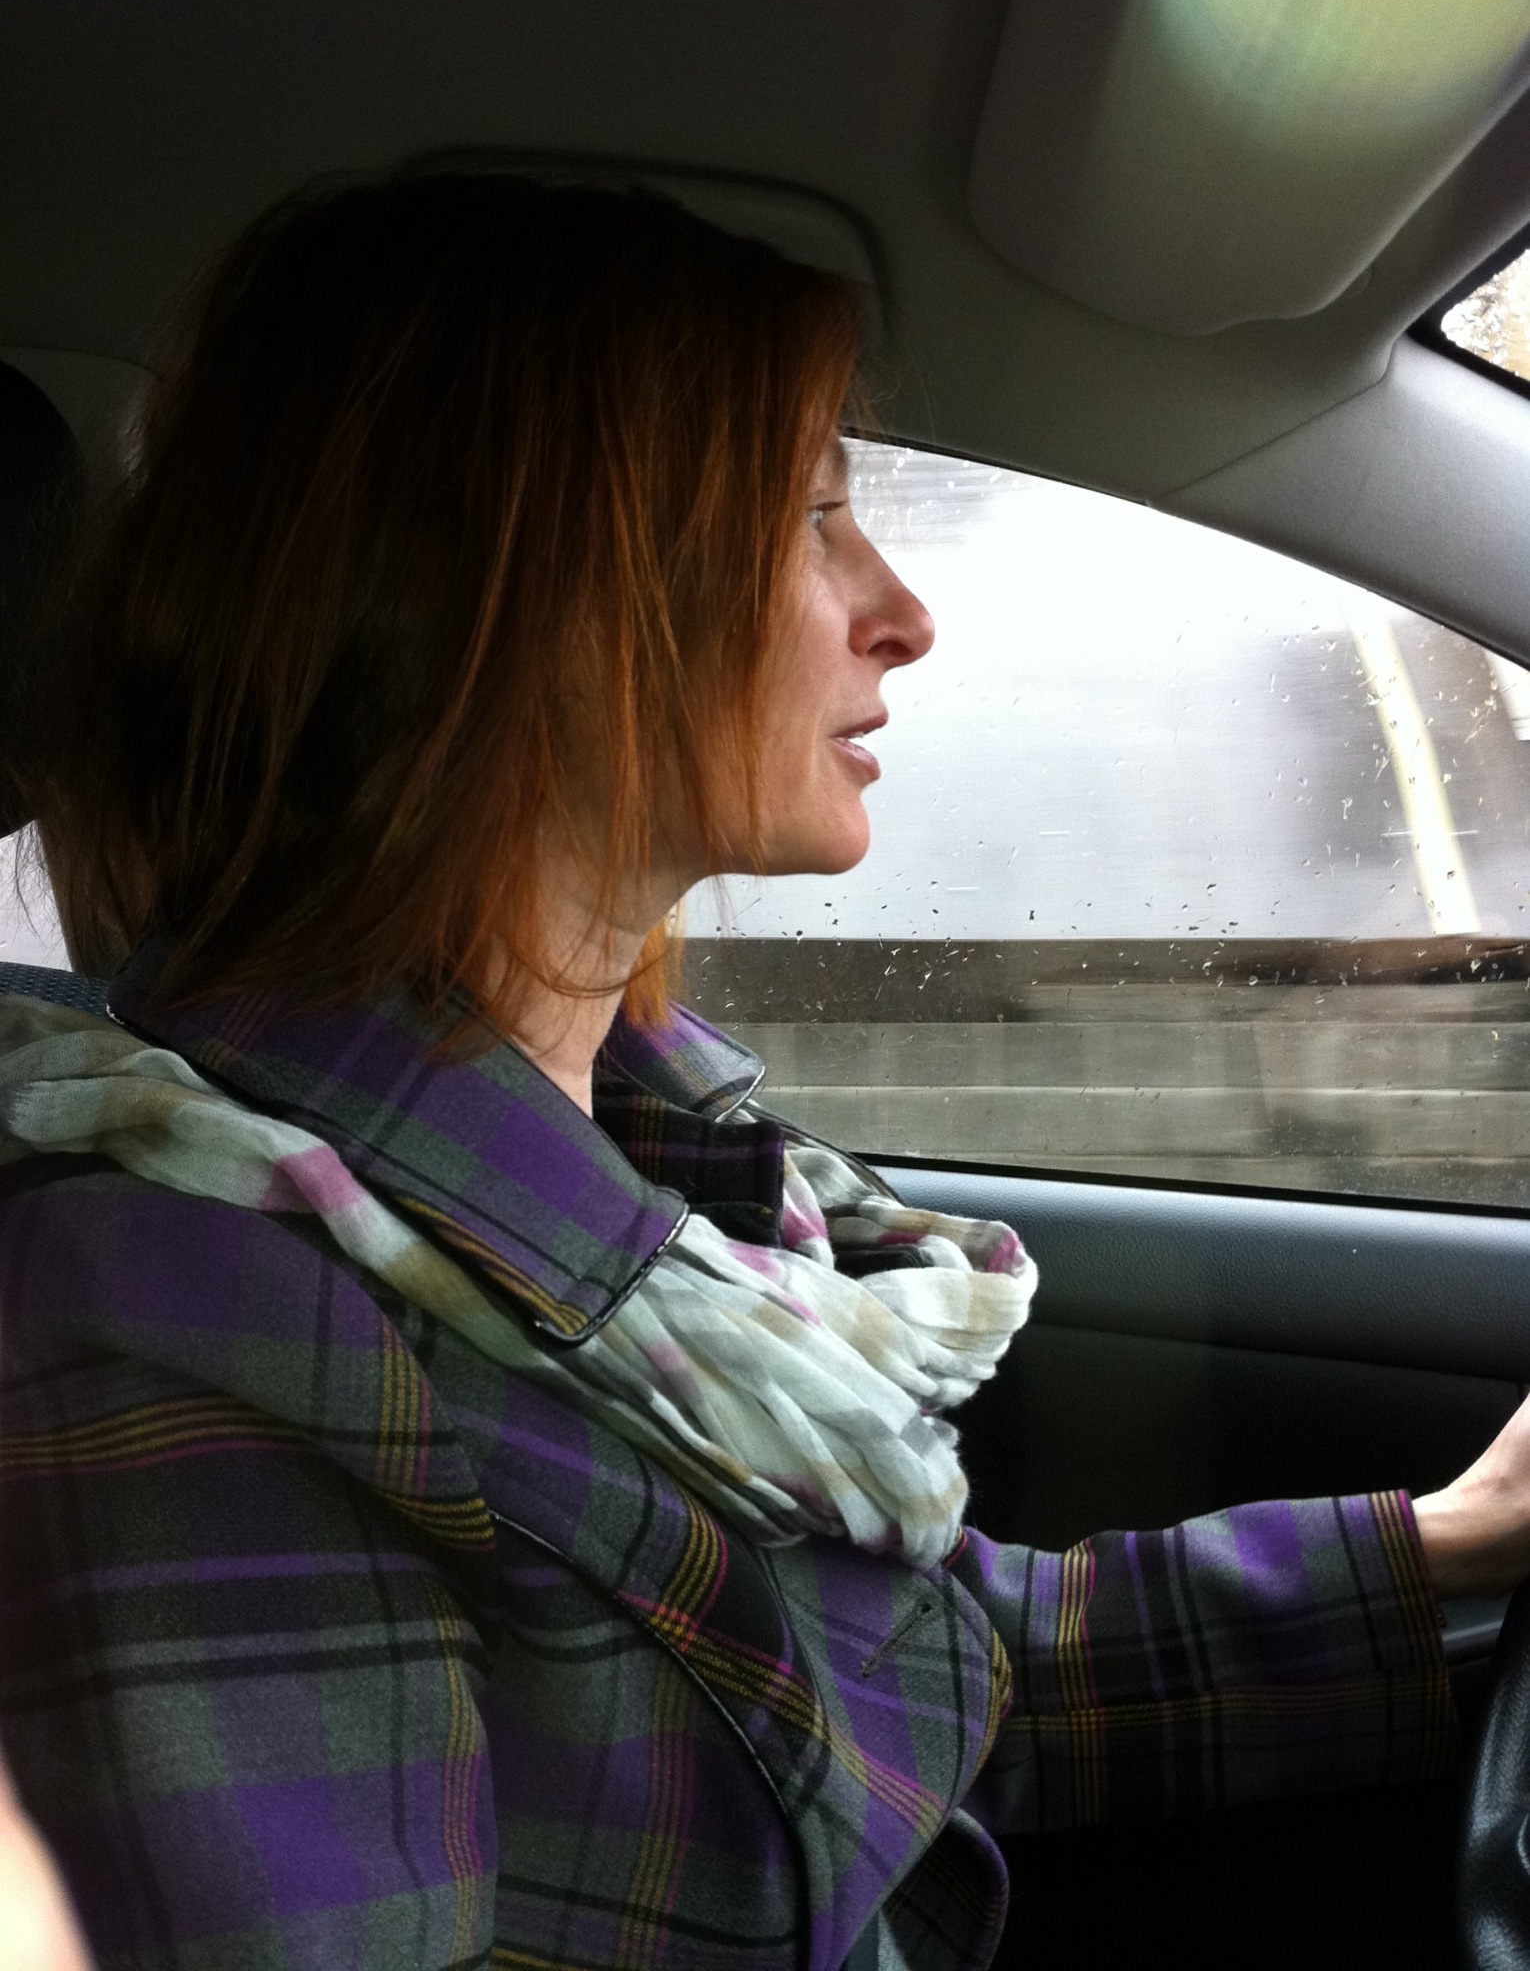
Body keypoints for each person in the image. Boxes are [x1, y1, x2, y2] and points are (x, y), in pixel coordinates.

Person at [1, 165, 1529, 1971]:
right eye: (811, 517)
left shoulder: (645, 1148)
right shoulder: (179, 1307)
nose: (902, 612)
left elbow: (896, 1693)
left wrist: (1456, 1539)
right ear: (528, 593)